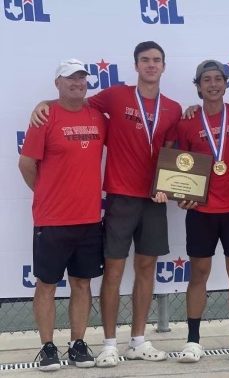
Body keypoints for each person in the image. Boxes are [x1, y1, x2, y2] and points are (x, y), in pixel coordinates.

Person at [31, 41, 182, 367]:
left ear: (164, 66)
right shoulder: (115, 96)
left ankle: (138, 340)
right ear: (136, 65)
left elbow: (174, 151)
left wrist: (169, 186)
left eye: (156, 60)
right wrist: (43, 103)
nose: (151, 65)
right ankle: (110, 343)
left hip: (154, 200)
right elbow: (74, 101)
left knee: (146, 269)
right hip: (119, 197)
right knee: (113, 271)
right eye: (145, 60)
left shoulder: (174, 107)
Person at [19, 59, 106, 371]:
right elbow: (26, 164)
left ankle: (78, 344)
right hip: (52, 220)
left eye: (82, 78)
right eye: (70, 78)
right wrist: (45, 195)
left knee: (82, 284)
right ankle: (47, 347)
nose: (77, 83)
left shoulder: (97, 116)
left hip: (89, 219)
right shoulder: (45, 116)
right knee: (47, 284)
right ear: (58, 83)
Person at [175, 60, 229, 363]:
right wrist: (181, 195)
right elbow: (179, 166)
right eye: (206, 79)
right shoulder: (187, 121)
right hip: (202, 211)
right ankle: (193, 341)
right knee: (199, 274)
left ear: (226, 83)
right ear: (198, 85)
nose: (212, 84)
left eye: (217, 79)